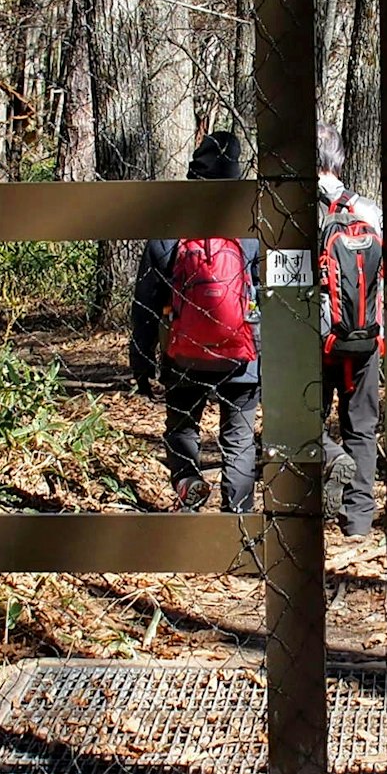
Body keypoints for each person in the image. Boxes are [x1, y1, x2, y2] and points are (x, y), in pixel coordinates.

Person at [129, 130, 261, 513]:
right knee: (238, 439)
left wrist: (142, 362)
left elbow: (146, 304)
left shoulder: (168, 233)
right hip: (241, 356)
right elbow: (264, 297)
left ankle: (188, 484)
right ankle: (239, 518)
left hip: (183, 353)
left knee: (182, 427)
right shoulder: (251, 230)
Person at [315, 147, 384, 535]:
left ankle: (329, 459)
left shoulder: (298, 214)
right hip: (367, 337)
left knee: (305, 421)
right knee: (362, 425)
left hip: (317, 338)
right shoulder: (369, 211)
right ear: (339, 162)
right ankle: (358, 521)